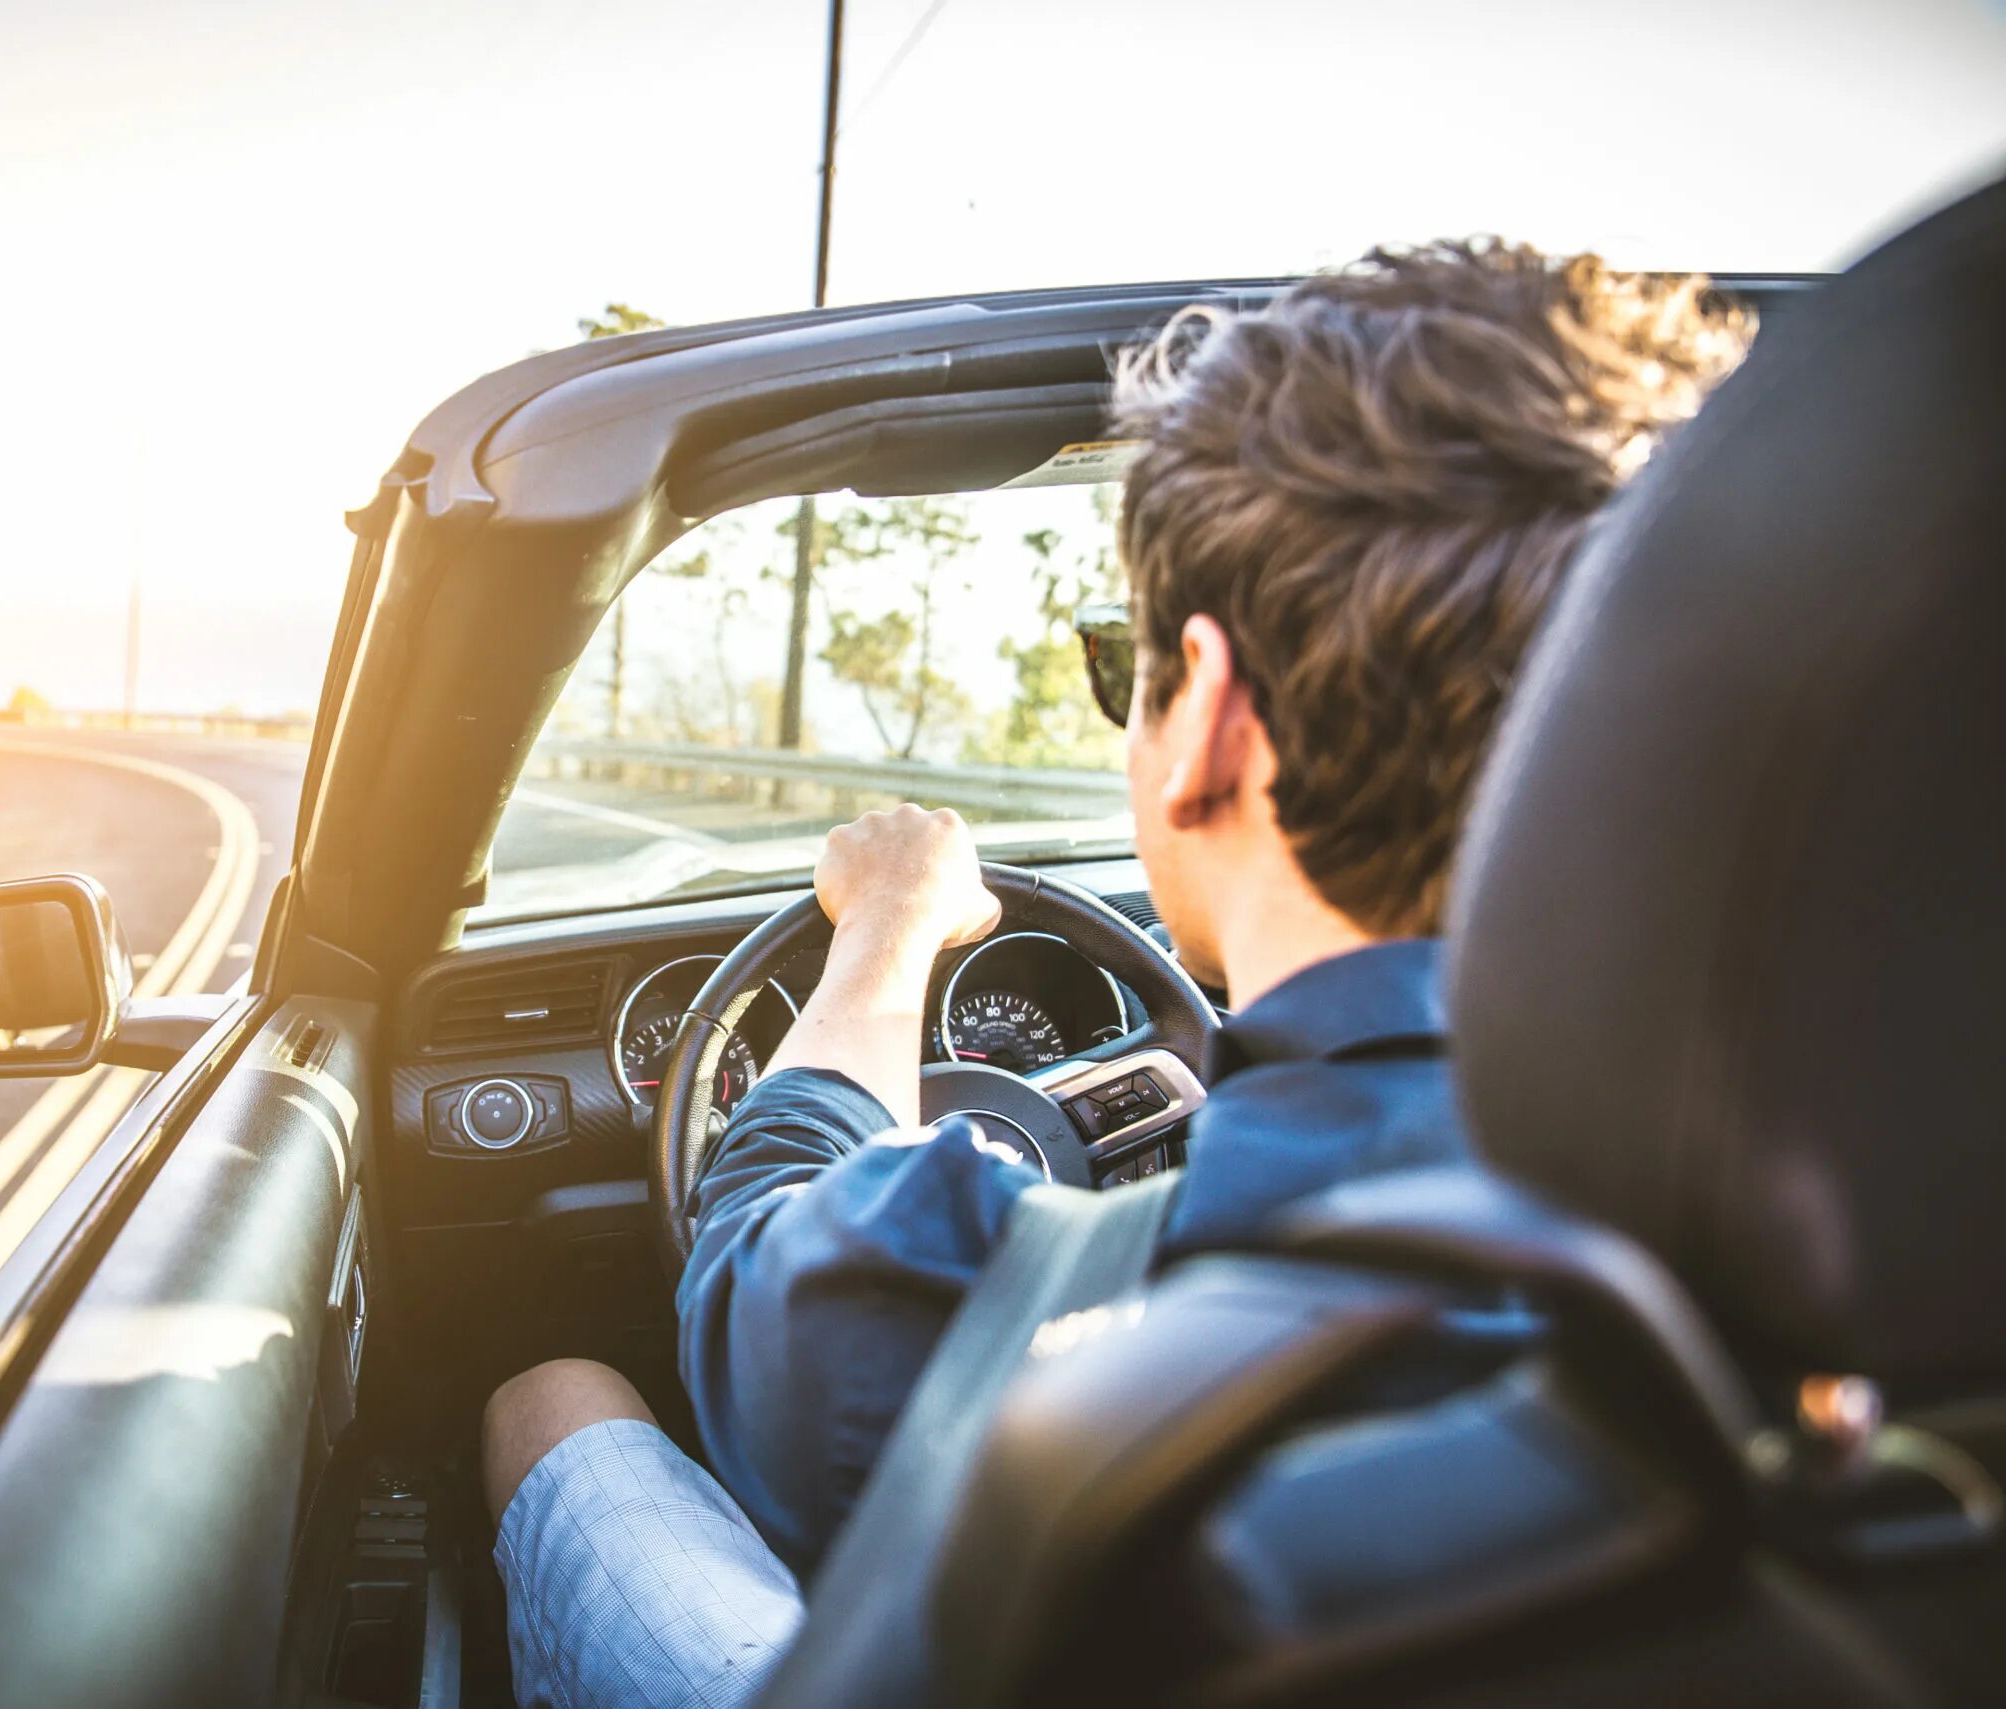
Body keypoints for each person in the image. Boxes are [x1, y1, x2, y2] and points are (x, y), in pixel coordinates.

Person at [481, 240, 1752, 1709]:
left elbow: (750, 1250)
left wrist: (888, 927)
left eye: (1121, 666)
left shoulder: (980, 1297)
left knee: (554, 1396)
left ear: (1205, 712)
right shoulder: (1869, 1219)